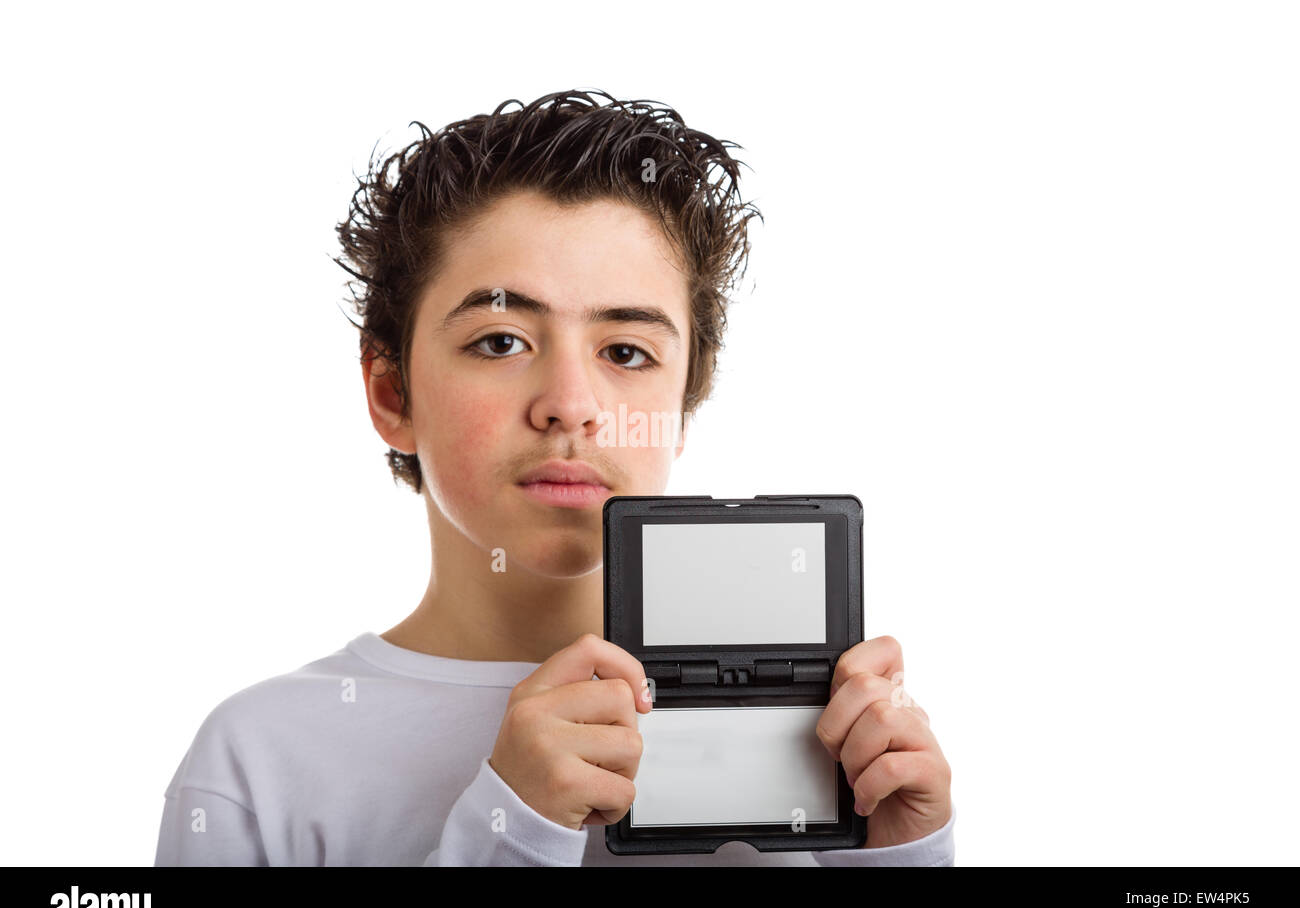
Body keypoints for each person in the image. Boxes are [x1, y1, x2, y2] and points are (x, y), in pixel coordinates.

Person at [154, 89, 955, 866]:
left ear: (684, 405)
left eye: (626, 352)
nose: (571, 407)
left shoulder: (825, 755)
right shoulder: (255, 762)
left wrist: (901, 863)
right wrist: (512, 828)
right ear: (392, 391)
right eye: (500, 341)